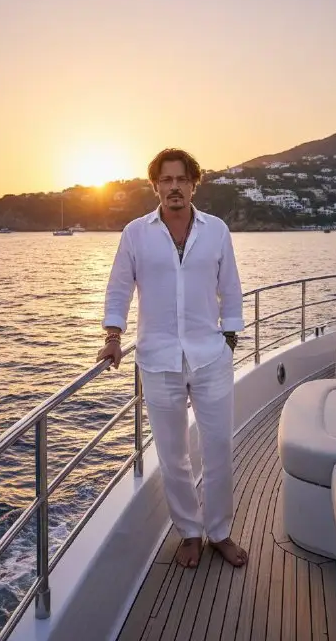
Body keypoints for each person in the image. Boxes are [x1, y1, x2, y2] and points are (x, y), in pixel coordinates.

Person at [96, 148, 248, 569]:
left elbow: (230, 287)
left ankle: (219, 531)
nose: (175, 187)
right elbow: (119, 287)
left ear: (194, 184)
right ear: (156, 186)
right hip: (157, 358)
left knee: (218, 448)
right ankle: (189, 533)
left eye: (182, 179)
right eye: (166, 180)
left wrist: (228, 339)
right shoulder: (136, 233)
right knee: (172, 454)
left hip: (209, 356)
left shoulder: (215, 230)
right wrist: (113, 335)